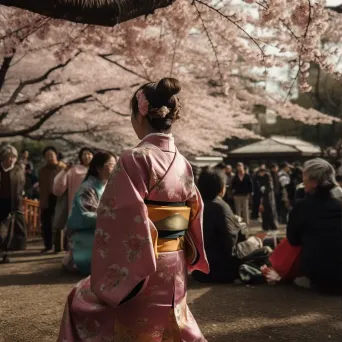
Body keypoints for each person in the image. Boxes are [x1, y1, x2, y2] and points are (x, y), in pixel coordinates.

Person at [58, 78, 209, 341]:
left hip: (143, 265)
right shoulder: (183, 162)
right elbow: (194, 210)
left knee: (80, 302)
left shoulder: (135, 158)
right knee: (169, 326)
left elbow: (121, 217)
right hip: (174, 265)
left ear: (140, 115)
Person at [265, 159, 342, 294]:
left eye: (305, 178)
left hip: (317, 273)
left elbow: (293, 239)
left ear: (314, 182)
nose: (303, 181)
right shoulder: (339, 205)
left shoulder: (302, 207)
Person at [64, 152, 116, 275]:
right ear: (98, 168)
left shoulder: (106, 185)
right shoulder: (87, 188)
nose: (115, 168)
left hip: (101, 230)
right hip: (86, 234)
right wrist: (114, 217)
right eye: (111, 165)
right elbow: (86, 215)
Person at [192, 168, 241, 283]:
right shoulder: (221, 206)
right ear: (221, 188)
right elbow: (231, 244)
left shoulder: (196, 205)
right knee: (258, 244)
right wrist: (239, 227)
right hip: (221, 270)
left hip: (199, 270)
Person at [0, 145, 26, 263]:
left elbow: (22, 185)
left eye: (14, 157)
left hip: (12, 203)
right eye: (9, 157)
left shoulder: (18, 170)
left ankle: (5, 253)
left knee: (10, 230)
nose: (11, 160)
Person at [53, 147, 94, 218]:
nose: (87, 156)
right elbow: (60, 186)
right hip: (76, 203)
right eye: (84, 154)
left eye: (89, 154)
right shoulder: (74, 170)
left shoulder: (99, 171)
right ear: (80, 157)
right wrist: (65, 170)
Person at [38, 146, 66, 253]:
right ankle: (48, 245)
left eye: (51, 154)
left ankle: (60, 246)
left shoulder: (64, 167)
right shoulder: (42, 170)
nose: (49, 157)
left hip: (60, 197)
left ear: (56, 155)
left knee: (60, 222)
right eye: (47, 155)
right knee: (46, 222)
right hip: (47, 198)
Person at [255, 165, 278, 231]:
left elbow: (269, 188)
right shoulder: (260, 178)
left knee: (269, 212)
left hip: (268, 198)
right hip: (264, 197)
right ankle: (266, 226)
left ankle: (272, 226)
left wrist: (264, 193)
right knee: (264, 213)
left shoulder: (268, 177)